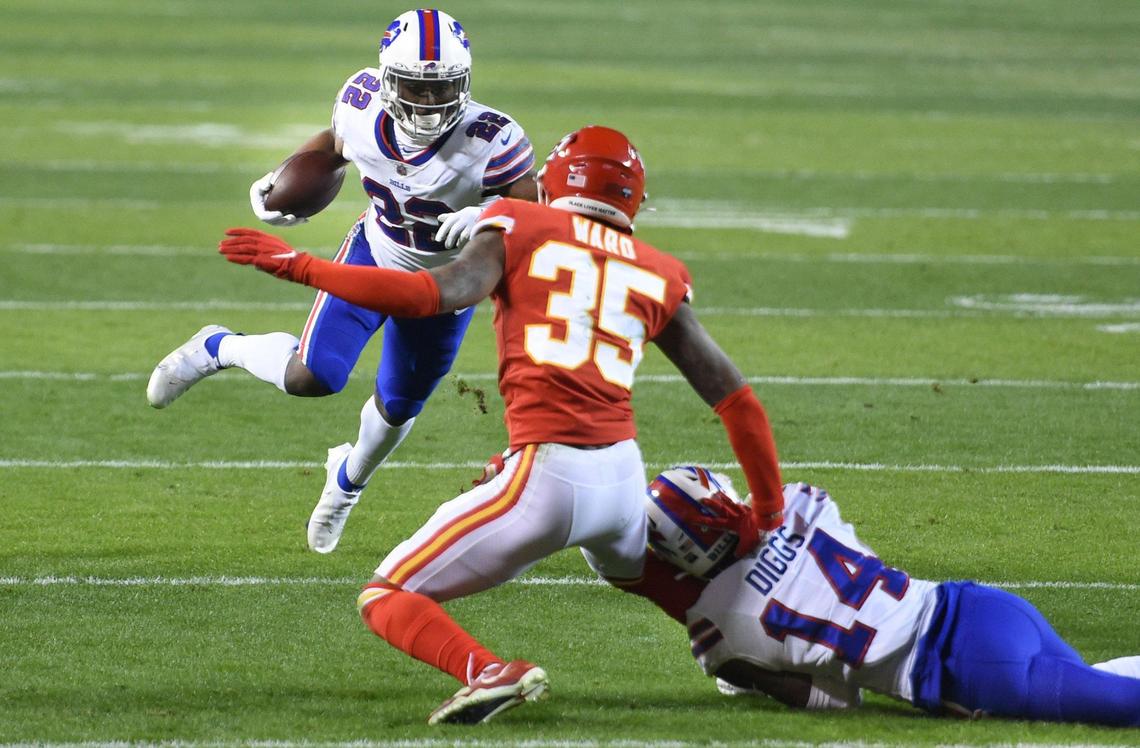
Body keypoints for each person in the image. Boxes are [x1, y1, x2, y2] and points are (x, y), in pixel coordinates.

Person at [216, 125, 788, 724]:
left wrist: (303, 266)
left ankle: (488, 672)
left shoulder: (522, 223)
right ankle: (754, 662)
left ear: (553, 183)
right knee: (654, 582)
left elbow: (425, 295)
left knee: (385, 595)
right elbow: (737, 401)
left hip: (547, 479)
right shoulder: (661, 270)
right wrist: (769, 516)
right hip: (622, 479)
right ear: (633, 198)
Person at [146, 8, 538, 554]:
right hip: (375, 255)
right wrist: (283, 179)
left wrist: (487, 216)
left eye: (442, 88)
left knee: (398, 406)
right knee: (314, 376)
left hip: (445, 286)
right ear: (386, 79)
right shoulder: (359, 105)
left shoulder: (493, 139)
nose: (429, 103)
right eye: (415, 88)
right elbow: (332, 147)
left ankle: (345, 485)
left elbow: (535, 212)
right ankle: (218, 347)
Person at [633, 465, 1140, 726]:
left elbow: (837, 701)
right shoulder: (797, 502)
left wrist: (754, 676)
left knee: (1122, 705)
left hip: (961, 670)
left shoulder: (716, 632)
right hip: (980, 607)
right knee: (1098, 685)